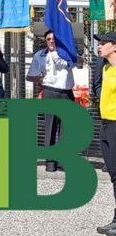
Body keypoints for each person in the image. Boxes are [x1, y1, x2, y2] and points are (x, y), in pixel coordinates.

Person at [26, 30, 75, 172]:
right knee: (50, 127)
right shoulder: (39, 55)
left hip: (66, 92)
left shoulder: (66, 52)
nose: (51, 41)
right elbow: (30, 76)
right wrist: (40, 78)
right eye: (48, 39)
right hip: (50, 91)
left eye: (54, 39)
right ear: (45, 41)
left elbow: (77, 62)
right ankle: (50, 161)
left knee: (67, 129)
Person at [92, 33, 116, 236]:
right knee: (114, 174)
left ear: (114, 46)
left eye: (103, 43)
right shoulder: (106, 68)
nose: (99, 46)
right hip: (106, 124)